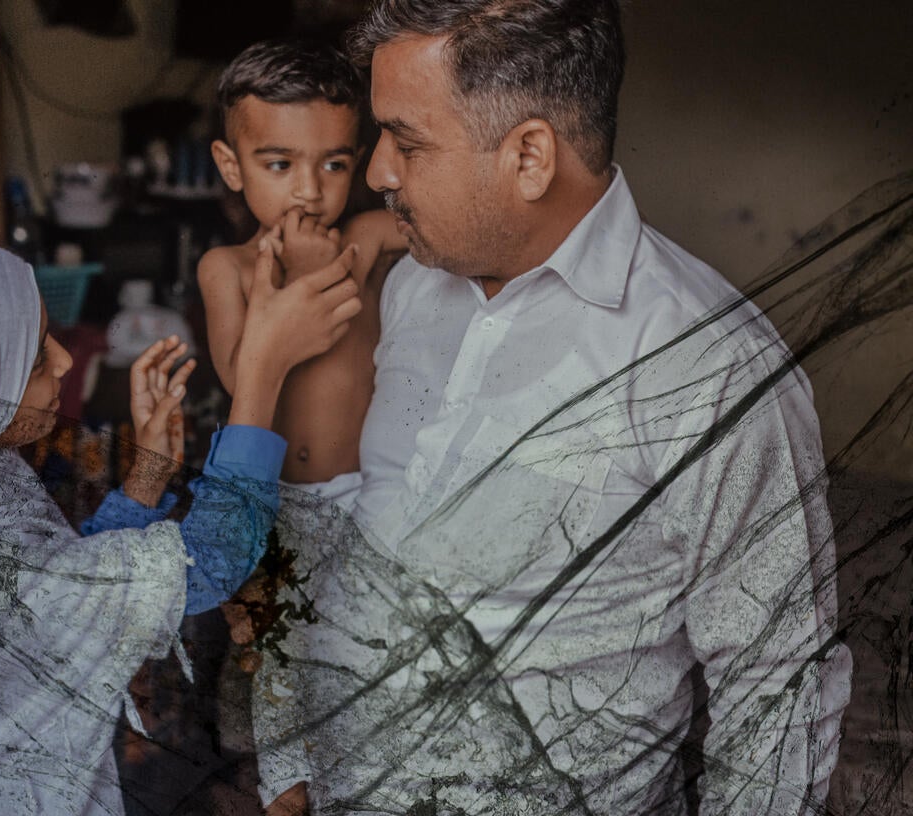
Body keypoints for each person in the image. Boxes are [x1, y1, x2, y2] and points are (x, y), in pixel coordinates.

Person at [255, 1, 852, 814]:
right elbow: (356, 535)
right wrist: (290, 761)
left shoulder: (708, 367)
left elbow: (778, 688)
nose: (377, 172)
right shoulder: (416, 287)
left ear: (530, 156)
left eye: (409, 141)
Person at [0, 235, 360, 815]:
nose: (64, 360)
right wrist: (262, 368)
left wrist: (146, 477)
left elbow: (54, 607)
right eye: (35, 357)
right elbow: (210, 558)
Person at [199, 38, 406, 493]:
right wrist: (300, 274)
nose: (309, 190)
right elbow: (241, 381)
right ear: (231, 167)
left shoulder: (365, 239)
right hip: (278, 500)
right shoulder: (227, 268)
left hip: (367, 494)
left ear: (359, 165)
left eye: (333, 164)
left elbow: (446, 229)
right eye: (280, 164)